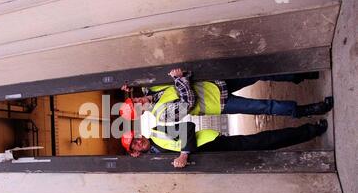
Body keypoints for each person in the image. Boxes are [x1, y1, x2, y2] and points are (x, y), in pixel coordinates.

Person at [119, 69, 333, 122]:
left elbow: (141, 80)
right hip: (221, 102)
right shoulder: (161, 115)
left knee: (259, 73)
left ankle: (301, 74)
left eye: (134, 100)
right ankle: (308, 110)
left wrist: (129, 84)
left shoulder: (151, 89)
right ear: (141, 113)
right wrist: (179, 79)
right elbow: (188, 102)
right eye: (136, 106)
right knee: (265, 106)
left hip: (218, 83)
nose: (138, 101)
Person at [121, 119, 329, 168]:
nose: (139, 141)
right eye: (135, 145)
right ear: (134, 152)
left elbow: (188, 127)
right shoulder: (150, 163)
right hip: (211, 167)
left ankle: (311, 130)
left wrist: (184, 154)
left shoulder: (158, 132)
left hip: (214, 146)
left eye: (136, 138)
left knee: (261, 142)